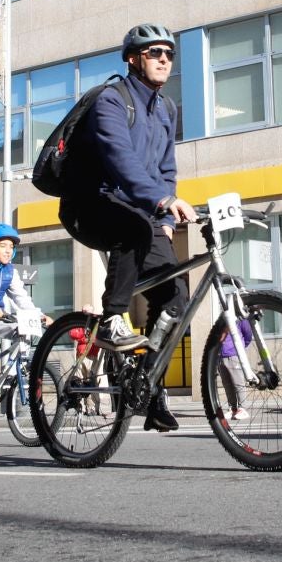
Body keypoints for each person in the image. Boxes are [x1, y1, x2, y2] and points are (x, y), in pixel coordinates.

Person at [57, 23, 195, 433]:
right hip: (90, 203)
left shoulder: (166, 109)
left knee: (175, 296)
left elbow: (166, 170)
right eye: (155, 53)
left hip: (142, 211)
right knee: (133, 229)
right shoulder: (112, 101)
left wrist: (166, 218)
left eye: (169, 54)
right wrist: (161, 203)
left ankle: (147, 389)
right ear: (134, 58)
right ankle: (113, 318)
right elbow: (122, 161)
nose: (164, 60)